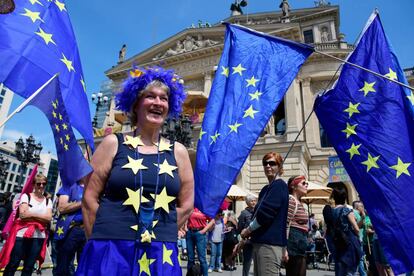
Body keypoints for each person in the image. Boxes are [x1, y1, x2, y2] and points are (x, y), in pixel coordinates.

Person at [78, 66, 194, 275]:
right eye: (150, 96)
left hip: (160, 251)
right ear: (136, 103)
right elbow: (89, 198)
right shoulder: (112, 143)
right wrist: (102, 234)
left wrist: (161, 227)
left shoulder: (179, 151)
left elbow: (187, 205)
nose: (158, 103)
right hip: (110, 248)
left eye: (164, 98)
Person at [240, 152, 289, 276]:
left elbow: (264, 215)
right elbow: (257, 214)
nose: (268, 166)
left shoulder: (279, 186)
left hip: (269, 244)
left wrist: (248, 230)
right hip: (260, 242)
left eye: (272, 163)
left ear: (280, 166)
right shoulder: (265, 189)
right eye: (265, 163)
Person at [0, 174, 52, 276]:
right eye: (38, 184)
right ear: (33, 185)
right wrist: (41, 216)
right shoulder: (26, 196)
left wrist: (31, 214)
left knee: (29, 266)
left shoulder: (48, 201)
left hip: (38, 236)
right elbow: (23, 214)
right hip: (22, 234)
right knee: (13, 263)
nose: (41, 186)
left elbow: (49, 218)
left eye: (44, 184)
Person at [55, 182, 86, 276]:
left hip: (90, 230)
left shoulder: (96, 186)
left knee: (85, 266)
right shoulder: (68, 185)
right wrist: (84, 201)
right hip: (72, 229)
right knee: (64, 266)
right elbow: (62, 207)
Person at [331, 187, 362, 276]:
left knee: (340, 269)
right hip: (349, 242)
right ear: (345, 198)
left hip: (338, 243)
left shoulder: (332, 211)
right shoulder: (346, 210)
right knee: (351, 271)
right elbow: (356, 228)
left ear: (334, 198)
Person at [285, 175, 309, 276]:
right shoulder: (291, 200)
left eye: (306, 183)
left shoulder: (299, 202)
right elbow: (285, 224)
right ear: (293, 186)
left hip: (300, 242)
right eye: (303, 183)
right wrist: (284, 248)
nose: (306, 185)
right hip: (293, 242)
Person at [186, 208, 212, 276]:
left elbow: (212, 220)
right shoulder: (191, 206)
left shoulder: (204, 208)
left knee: (202, 258)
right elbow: (185, 216)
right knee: (190, 258)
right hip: (190, 232)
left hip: (200, 233)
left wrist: (204, 230)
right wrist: (185, 228)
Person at [237, 194, 257, 276]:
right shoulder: (243, 213)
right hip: (247, 240)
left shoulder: (257, 211)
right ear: (247, 203)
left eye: (254, 201)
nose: (253, 202)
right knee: (247, 261)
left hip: (257, 239)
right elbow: (240, 227)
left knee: (257, 261)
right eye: (251, 201)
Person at [352, 201, 367, 276]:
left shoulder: (357, 214)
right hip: (358, 239)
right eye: (362, 207)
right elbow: (356, 226)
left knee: (359, 258)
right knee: (360, 258)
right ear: (358, 207)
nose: (363, 208)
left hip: (358, 238)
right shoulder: (355, 213)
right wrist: (363, 218)